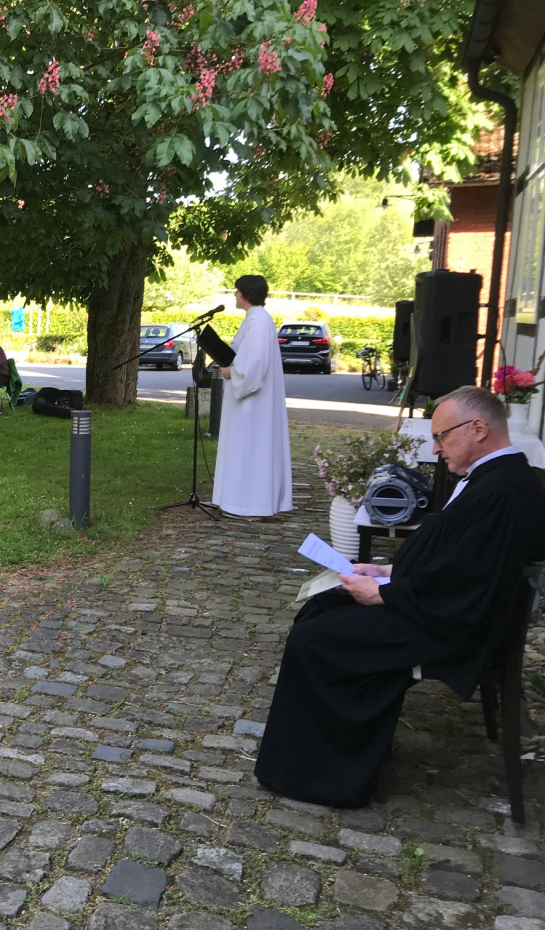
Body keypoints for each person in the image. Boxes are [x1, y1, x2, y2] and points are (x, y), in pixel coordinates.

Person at [254, 386, 545, 809]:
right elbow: (458, 562)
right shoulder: (496, 478)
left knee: (314, 640)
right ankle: (323, 752)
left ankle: (327, 775)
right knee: (321, 607)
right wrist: (390, 572)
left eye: (442, 436)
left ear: (479, 428)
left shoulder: (500, 492)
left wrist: (385, 595)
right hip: (435, 605)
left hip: (448, 625)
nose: (436, 447)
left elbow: (468, 588)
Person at [213, 274, 292, 517]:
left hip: (253, 403)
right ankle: (237, 502)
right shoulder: (254, 319)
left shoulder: (258, 321)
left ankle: (251, 505)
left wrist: (232, 373)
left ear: (247, 294)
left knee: (251, 449)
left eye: (237, 291)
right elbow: (243, 353)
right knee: (243, 448)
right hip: (247, 401)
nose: (235, 295)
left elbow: (255, 364)